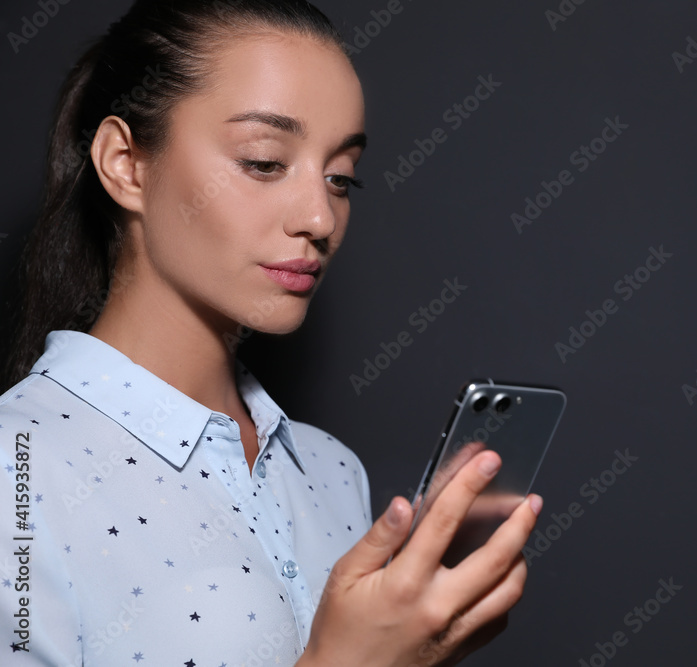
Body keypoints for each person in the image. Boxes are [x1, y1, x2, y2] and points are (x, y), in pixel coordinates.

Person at [0, 0, 542, 664]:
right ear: (125, 163)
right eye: (264, 161)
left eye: (341, 178)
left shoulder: (331, 469)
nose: (320, 216)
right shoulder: (17, 468)